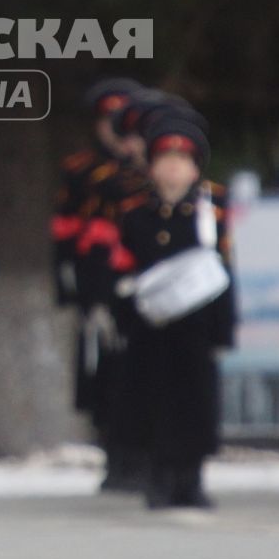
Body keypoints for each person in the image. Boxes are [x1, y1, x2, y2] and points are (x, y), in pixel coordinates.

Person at [104, 106, 236, 510]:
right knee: (154, 401)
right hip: (151, 328)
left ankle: (191, 479)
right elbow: (121, 268)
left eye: (182, 161)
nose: (174, 170)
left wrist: (223, 329)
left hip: (196, 327)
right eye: (166, 160)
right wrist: (120, 315)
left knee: (195, 403)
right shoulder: (135, 213)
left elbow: (224, 270)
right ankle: (159, 479)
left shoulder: (209, 213)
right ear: (153, 166)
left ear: (195, 169)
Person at [51, 79, 145, 489]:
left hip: (143, 285)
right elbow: (67, 234)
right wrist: (74, 289)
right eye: (108, 121)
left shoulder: (149, 171)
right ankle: (114, 454)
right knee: (102, 374)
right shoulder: (82, 172)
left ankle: (145, 454)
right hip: (99, 284)